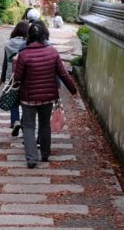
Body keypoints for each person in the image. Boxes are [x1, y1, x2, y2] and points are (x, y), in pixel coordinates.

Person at [13, 20, 77, 168]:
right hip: (48, 97)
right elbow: (63, 74)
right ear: (44, 35)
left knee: (28, 126)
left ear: (29, 36)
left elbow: (17, 78)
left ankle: (31, 159)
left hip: (28, 98)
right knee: (44, 125)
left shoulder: (24, 54)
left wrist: (17, 67)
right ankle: (45, 154)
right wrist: (73, 90)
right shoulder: (52, 52)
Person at [0, 20, 30, 136]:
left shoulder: (8, 44)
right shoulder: (28, 44)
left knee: (13, 99)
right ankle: (23, 121)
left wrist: (2, 77)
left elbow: (5, 62)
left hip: (11, 76)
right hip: (25, 75)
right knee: (25, 101)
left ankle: (15, 121)